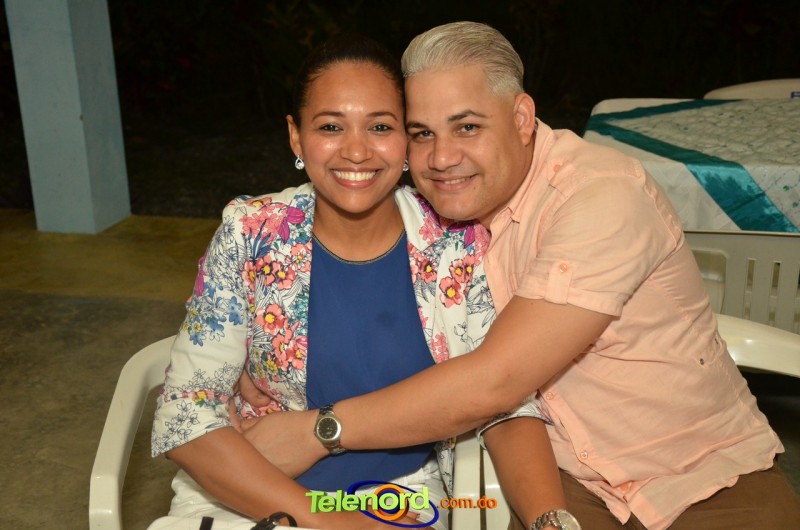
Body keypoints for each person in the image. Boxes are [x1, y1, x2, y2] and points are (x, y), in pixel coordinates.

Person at [235, 22, 800, 530]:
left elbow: (493, 382)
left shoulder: (601, 196)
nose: (441, 158)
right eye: (422, 133)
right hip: (558, 480)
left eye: (467, 127)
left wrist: (319, 430)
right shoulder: (437, 219)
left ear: (523, 118)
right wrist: (250, 344)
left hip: (700, 482)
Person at [150, 33, 564, 530]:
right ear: (296, 137)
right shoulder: (252, 234)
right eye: (330, 126)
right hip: (248, 493)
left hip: (399, 502)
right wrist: (324, 522)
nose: (356, 151)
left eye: (380, 126)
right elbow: (186, 415)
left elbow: (506, 403)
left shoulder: (455, 246)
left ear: (407, 138)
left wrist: (551, 521)